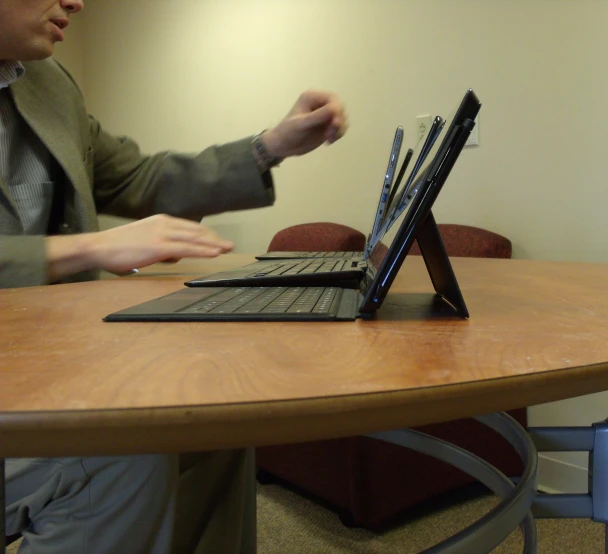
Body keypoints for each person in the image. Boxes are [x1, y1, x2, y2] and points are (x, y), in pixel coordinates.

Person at [0, 1, 348, 552]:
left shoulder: (49, 84)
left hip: (54, 368)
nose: (76, 2)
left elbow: (136, 176)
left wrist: (269, 147)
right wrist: (88, 247)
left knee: (214, 421)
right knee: (122, 455)